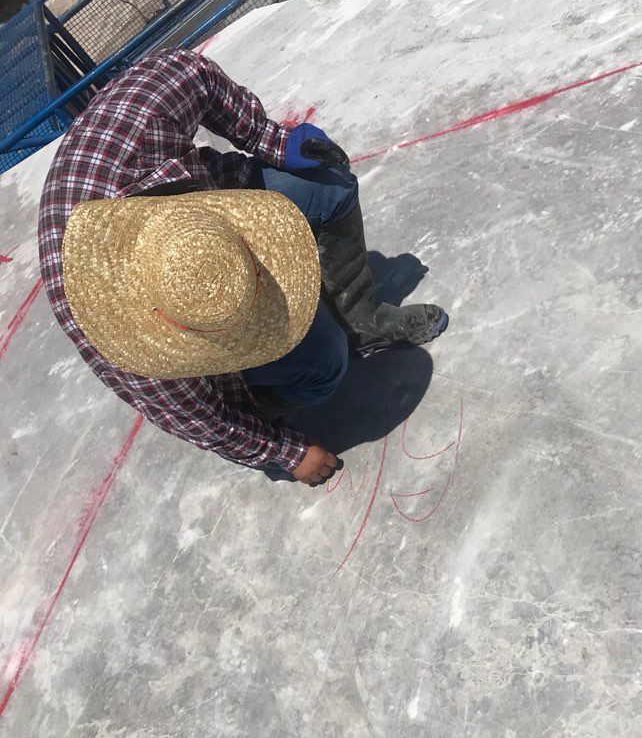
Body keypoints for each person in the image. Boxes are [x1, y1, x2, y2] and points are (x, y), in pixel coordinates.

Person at [37, 48, 448, 487]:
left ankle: (361, 321)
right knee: (326, 359)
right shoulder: (121, 341)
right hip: (181, 324)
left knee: (330, 188)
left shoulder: (138, 127)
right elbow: (197, 418)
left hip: (207, 200)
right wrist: (285, 452)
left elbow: (193, 73)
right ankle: (259, 400)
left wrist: (272, 140)